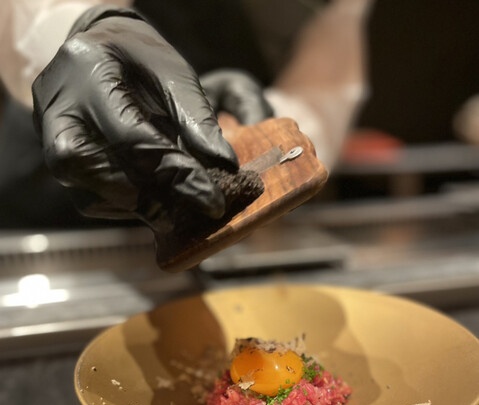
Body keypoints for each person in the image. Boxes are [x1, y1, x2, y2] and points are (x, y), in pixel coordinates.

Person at [0, 0, 371, 236]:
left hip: (214, 235)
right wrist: (82, 29)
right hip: (56, 178)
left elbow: (326, 83)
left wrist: (247, 135)